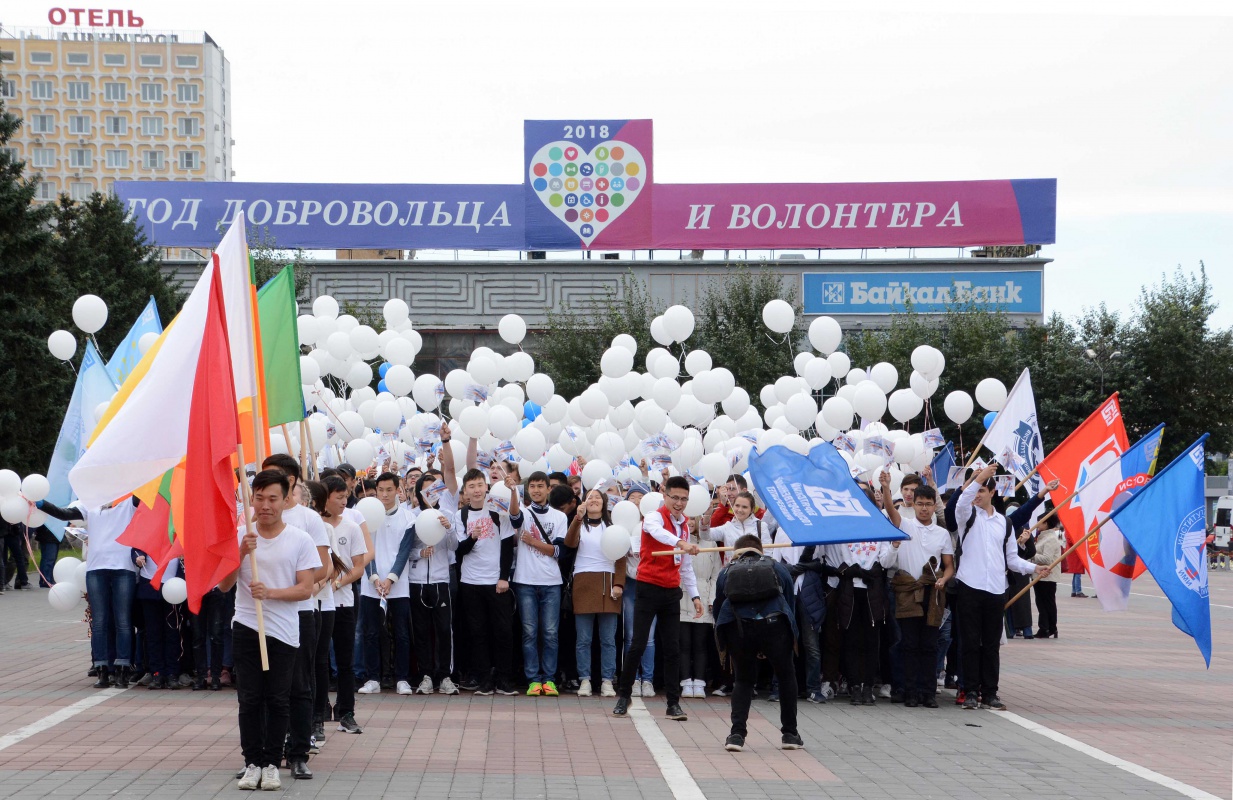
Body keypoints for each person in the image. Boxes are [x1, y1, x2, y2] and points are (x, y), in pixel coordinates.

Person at [221, 470, 321, 792]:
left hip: (284, 631)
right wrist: (239, 553)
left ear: (285, 500)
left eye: (273, 499)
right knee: (249, 699)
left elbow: (305, 589)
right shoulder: (241, 536)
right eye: (259, 498)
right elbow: (223, 585)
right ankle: (252, 762)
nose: (265, 505)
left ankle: (272, 764)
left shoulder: (300, 539)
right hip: (247, 626)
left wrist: (271, 593)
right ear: (252, 499)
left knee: (278, 700)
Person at [954, 464, 1051, 711]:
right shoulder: (967, 516)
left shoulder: (1004, 523)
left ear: (993, 492)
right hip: (969, 586)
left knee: (991, 644)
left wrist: (1034, 568)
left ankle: (990, 693)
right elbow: (962, 502)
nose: (977, 494)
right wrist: (977, 478)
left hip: (996, 589)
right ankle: (970, 691)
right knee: (970, 642)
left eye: (982, 490)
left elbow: (1012, 559)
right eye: (976, 489)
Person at [262, 454, 330, 778]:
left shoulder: (308, 519)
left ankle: (299, 751)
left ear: (289, 481)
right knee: (264, 687)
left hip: (300, 612)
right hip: (261, 615)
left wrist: (293, 585)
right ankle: (265, 753)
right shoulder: (255, 518)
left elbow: (324, 567)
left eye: (272, 477)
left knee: (298, 685)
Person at [613, 475, 702, 721]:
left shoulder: (685, 526)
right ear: (665, 495)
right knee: (638, 644)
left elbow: (685, 566)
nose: (679, 503)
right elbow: (657, 533)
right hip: (648, 588)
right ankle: (624, 696)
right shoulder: (654, 517)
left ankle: (673, 704)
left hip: (671, 591)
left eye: (684, 499)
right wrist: (681, 543)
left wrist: (695, 595)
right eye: (675, 498)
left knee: (672, 648)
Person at [714, 534, 803, 752]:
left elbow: (719, 606)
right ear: (760, 549)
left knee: (743, 680)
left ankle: (736, 735)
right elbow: (789, 603)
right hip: (774, 626)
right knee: (785, 676)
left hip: (740, 629)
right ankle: (790, 734)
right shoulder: (776, 567)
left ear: (736, 551)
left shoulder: (726, 571)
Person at [40, 496, 140, 687]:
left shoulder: (129, 499)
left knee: (123, 622)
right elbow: (65, 514)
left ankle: (122, 670)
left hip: (123, 567)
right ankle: (102, 669)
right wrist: (41, 504)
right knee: (99, 622)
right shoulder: (91, 499)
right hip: (96, 568)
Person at [879, 473, 953, 708]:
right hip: (907, 592)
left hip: (932, 593)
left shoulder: (942, 533)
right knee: (909, 644)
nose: (924, 508)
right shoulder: (905, 524)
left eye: (928, 504)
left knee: (929, 645)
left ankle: (928, 692)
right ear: (913, 504)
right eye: (920, 503)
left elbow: (949, 566)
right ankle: (910, 692)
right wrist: (886, 487)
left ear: (933, 506)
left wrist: (944, 580)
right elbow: (889, 510)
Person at [451, 467, 523, 695]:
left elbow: (507, 545)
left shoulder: (497, 510)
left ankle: (504, 679)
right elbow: (459, 550)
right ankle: (484, 679)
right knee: (477, 632)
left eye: (480, 485)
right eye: (471, 486)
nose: (476, 490)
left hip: (495, 581)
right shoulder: (461, 515)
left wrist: (503, 577)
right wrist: (472, 537)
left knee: (503, 631)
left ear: (486, 487)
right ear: (465, 491)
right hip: (470, 582)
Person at [357, 472, 416, 697]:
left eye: (389, 490)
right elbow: (364, 549)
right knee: (371, 633)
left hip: (398, 586)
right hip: (370, 586)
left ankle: (402, 679)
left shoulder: (408, 518)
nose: (384, 494)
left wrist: (391, 578)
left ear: (398, 489)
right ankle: (373, 678)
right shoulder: (366, 516)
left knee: (401, 633)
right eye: (380, 490)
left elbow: (404, 552)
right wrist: (373, 578)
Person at [319, 475, 369, 732]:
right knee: (318, 660)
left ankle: (346, 712)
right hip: (317, 604)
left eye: (345, 497)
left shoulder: (351, 527)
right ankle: (318, 712)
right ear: (325, 497)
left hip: (343, 603)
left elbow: (358, 567)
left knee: (345, 660)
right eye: (338, 497)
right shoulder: (314, 525)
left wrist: (336, 584)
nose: (343, 501)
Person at [565, 489, 625, 698]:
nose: (594, 500)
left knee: (608, 639)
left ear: (604, 502)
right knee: (583, 639)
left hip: (608, 583)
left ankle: (607, 680)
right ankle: (585, 679)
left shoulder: (613, 527)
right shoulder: (579, 524)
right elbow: (569, 543)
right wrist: (577, 518)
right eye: (590, 497)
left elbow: (621, 556)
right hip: (583, 582)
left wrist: (619, 583)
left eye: (598, 497)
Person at [513, 471, 568, 696]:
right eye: (532, 486)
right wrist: (512, 491)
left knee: (550, 633)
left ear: (548, 489)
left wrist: (533, 541)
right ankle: (533, 680)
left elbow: (559, 551)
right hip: (525, 581)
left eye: (540, 486)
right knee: (529, 633)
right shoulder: (523, 513)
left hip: (551, 582)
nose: (536, 490)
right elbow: (514, 517)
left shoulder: (560, 517)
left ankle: (549, 679)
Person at [407, 467, 461, 695]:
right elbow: (404, 550)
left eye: (435, 489)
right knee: (420, 630)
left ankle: (445, 676)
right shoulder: (411, 515)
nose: (431, 494)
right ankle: (426, 676)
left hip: (440, 580)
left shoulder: (447, 514)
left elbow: (454, 547)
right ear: (419, 493)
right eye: (426, 490)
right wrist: (420, 554)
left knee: (444, 629)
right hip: (417, 581)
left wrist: (448, 529)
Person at [131, 548, 182, 690]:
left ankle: (172, 673)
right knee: (153, 633)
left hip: (174, 587)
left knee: (172, 633)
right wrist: (137, 557)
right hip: (150, 585)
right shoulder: (147, 532)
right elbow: (136, 548)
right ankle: (157, 672)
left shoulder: (178, 533)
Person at [679, 518, 719, 699]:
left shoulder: (710, 543)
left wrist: (712, 599)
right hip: (682, 596)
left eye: (693, 518)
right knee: (684, 643)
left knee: (700, 644)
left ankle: (700, 683)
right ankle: (686, 682)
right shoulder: (678, 541)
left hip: (703, 596)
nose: (690, 522)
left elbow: (716, 574)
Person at [1031, 514, 1063, 639]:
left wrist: (1031, 555)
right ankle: (1047, 627)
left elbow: (1047, 559)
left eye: (1040, 521)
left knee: (1046, 603)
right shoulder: (1043, 537)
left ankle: (1048, 628)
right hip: (1040, 575)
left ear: (1046, 523)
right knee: (1041, 602)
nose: (1037, 524)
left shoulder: (1050, 539)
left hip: (1047, 576)